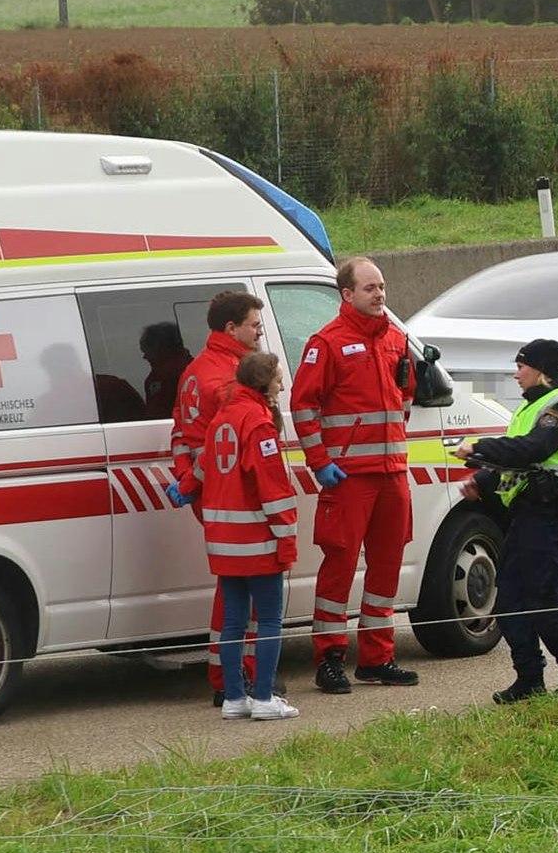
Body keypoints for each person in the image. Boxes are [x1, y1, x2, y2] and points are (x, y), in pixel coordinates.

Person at [290, 257, 421, 693]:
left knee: (386, 567)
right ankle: (329, 657)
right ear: (347, 295)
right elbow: (303, 406)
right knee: (339, 568)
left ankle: (377, 658)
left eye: (381, 286)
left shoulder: (397, 339)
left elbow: (406, 396)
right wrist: (320, 462)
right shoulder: (325, 343)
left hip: (392, 474)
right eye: (369, 288)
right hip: (347, 478)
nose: (379, 294)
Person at [469, 336, 558, 705]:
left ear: (540, 370)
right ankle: (529, 678)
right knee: (509, 596)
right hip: (528, 513)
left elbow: (534, 450)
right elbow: (519, 462)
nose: (516, 374)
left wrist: (479, 448)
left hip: (556, 514)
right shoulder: (530, 409)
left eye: (521, 366)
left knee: (545, 596)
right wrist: (481, 480)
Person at [167, 290, 267, 701]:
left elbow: (179, 434)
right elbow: (223, 444)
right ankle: (234, 678)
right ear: (232, 328)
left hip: (209, 492)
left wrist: (186, 482)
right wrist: (193, 483)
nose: (260, 332)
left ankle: (229, 675)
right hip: (230, 494)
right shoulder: (230, 378)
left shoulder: (195, 370)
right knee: (246, 590)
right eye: (254, 325)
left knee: (234, 586)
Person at [194, 349, 303, 721]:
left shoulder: (221, 419)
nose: (283, 383)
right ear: (263, 383)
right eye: (278, 378)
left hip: (223, 540)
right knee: (270, 619)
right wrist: (287, 538)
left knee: (233, 622)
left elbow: (203, 470)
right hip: (256, 539)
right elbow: (272, 489)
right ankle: (264, 698)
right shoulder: (257, 423)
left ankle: (234, 699)